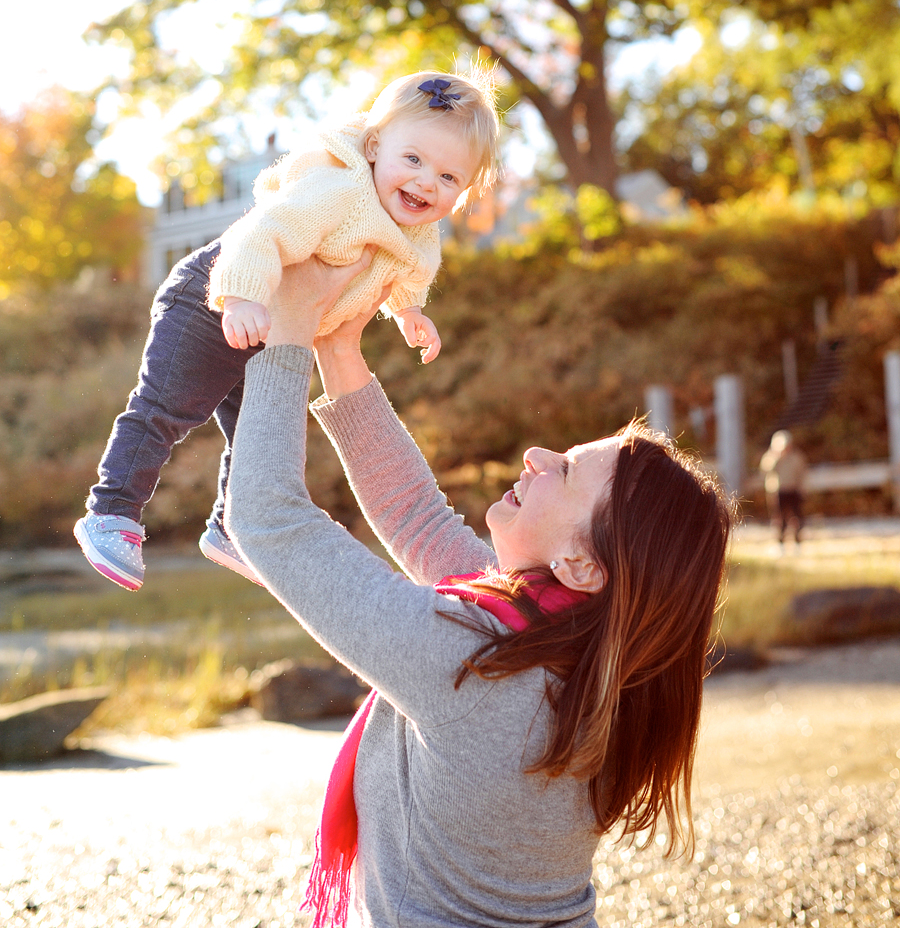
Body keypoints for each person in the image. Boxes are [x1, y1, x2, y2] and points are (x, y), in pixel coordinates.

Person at [224, 253, 734, 928]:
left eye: (567, 470)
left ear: (583, 565)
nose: (537, 456)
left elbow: (268, 517)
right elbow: (415, 516)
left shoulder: (476, 665)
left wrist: (287, 327)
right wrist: (337, 346)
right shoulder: (575, 657)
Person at [74, 70, 500, 592]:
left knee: (257, 431)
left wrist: (410, 313)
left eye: (449, 178)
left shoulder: (420, 231)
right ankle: (112, 511)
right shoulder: (338, 190)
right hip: (217, 296)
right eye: (412, 160)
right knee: (168, 407)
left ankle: (231, 527)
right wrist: (242, 297)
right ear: (373, 146)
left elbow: (407, 275)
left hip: (277, 326)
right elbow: (261, 232)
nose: (426, 183)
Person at [760, 429, 807, 546]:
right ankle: (779, 543)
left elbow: (802, 474)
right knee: (779, 519)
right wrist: (776, 457)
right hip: (778, 491)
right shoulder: (771, 457)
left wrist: (802, 489)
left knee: (796, 518)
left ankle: (797, 542)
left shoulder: (796, 457)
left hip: (793, 490)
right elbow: (765, 471)